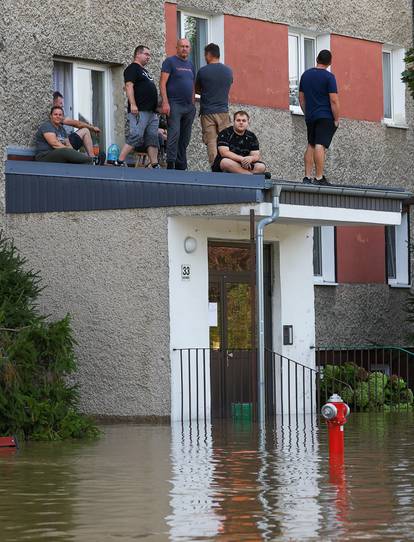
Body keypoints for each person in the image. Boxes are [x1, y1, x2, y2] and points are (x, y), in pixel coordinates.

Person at [115, 45, 160, 167]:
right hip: (139, 110)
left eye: (149, 55)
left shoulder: (145, 71)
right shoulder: (132, 68)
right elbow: (129, 86)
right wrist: (133, 104)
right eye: (146, 54)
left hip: (151, 112)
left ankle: (155, 165)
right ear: (138, 54)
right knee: (136, 135)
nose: (148, 57)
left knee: (152, 139)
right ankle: (119, 161)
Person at [299, 49, 340, 185]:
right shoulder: (329, 77)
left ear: (317, 59)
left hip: (310, 116)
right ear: (330, 63)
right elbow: (333, 100)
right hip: (325, 116)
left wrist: (307, 113)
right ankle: (318, 177)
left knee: (311, 144)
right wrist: (336, 119)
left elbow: (301, 98)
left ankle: (307, 177)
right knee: (319, 145)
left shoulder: (305, 75)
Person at [160, 38, 196, 170]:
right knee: (174, 134)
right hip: (174, 104)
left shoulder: (191, 65)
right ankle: (171, 163)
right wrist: (165, 102)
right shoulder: (170, 62)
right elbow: (162, 83)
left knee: (185, 137)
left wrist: (193, 104)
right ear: (177, 47)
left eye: (187, 46)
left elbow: (192, 85)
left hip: (188, 107)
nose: (184, 48)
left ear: (190, 49)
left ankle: (181, 165)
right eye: (182, 46)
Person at [195, 43, 233, 165]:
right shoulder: (228, 71)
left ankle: (215, 168)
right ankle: (228, 166)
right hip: (223, 111)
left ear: (208, 55)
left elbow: (196, 90)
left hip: (207, 112)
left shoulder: (203, 71)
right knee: (225, 141)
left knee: (211, 141)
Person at [212, 111, 268, 176]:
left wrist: (250, 158)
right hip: (226, 164)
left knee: (261, 166)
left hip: (244, 165)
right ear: (234, 121)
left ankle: (243, 173)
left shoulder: (252, 136)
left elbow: (256, 155)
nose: (241, 122)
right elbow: (224, 152)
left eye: (244, 121)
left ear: (248, 122)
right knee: (225, 162)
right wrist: (242, 159)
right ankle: (251, 176)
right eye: (238, 120)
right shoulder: (225, 133)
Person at [52, 91, 102, 160]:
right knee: (85, 130)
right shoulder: (57, 116)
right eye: (60, 103)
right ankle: (92, 158)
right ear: (54, 103)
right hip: (61, 145)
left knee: (83, 131)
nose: (62, 105)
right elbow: (78, 124)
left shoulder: (57, 115)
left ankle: (92, 158)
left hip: (64, 143)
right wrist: (92, 128)